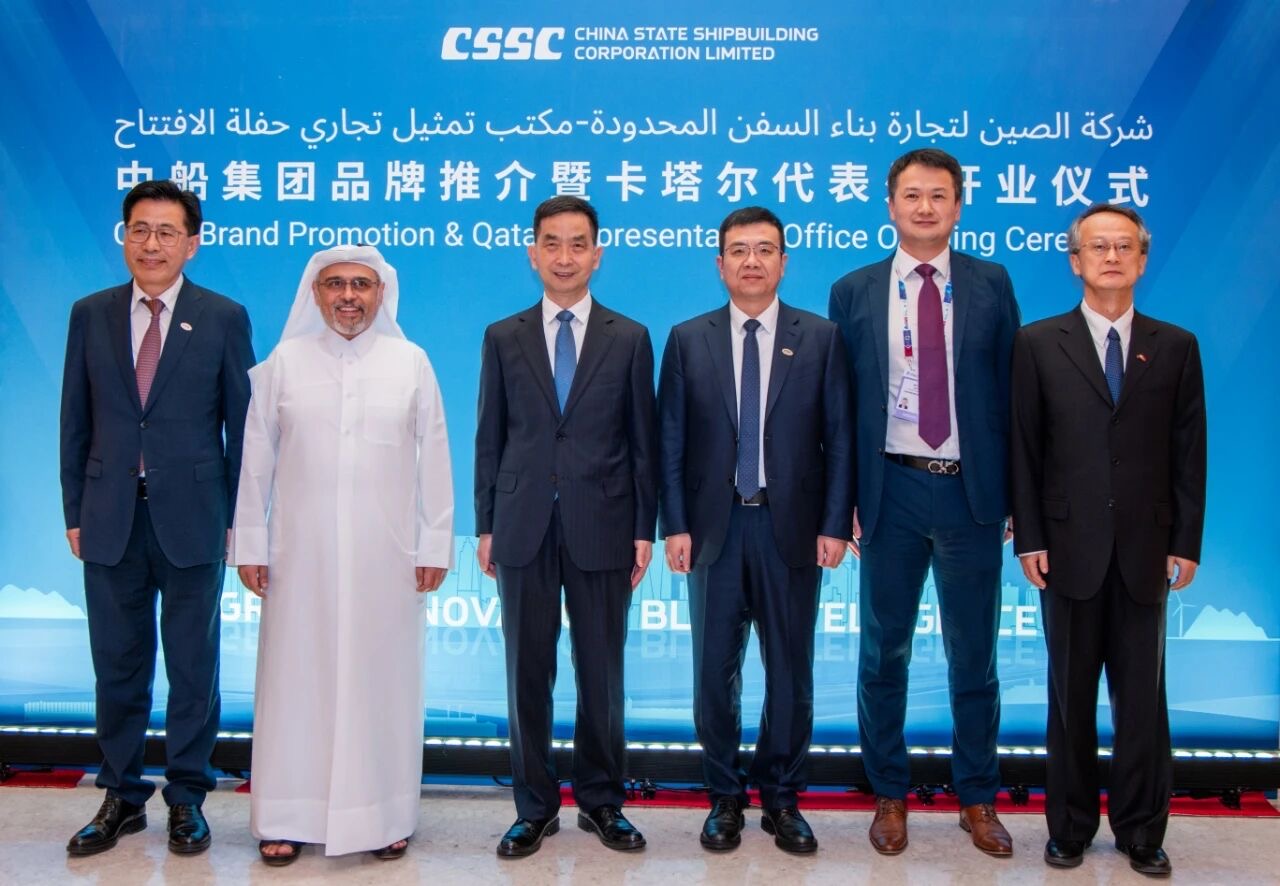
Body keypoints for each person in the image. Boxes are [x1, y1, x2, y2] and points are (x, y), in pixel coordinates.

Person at [229, 245, 453, 864]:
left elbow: (435, 457)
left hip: (388, 558)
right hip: (298, 558)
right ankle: (286, 814)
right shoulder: (284, 363)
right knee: (295, 682)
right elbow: (255, 460)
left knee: (382, 683)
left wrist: (434, 543)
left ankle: (383, 816)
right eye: (335, 284)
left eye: (361, 284)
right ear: (316, 293)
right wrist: (250, 542)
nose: (348, 296)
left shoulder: (411, 362)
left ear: (381, 294)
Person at [828, 148, 1021, 857]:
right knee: (884, 654)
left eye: (939, 195)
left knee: (975, 655)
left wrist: (1016, 499)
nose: (925, 207)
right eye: (912, 195)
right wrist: (843, 502)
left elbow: (1013, 395)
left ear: (958, 206)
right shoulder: (853, 290)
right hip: (891, 488)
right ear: (890, 205)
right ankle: (889, 793)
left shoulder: (991, 283)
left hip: (971, 492)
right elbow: (839, 409)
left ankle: (977, 797)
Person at [60, 180, 254, 856]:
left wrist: (240, 520)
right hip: (109, 516)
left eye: (167, 232)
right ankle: (120, 795)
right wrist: (74, 510)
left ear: (191, 244)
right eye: (139, 230)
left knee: (193, 666)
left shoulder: (222, 317)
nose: (151, 244)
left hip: (194, 518)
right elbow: (74, 420)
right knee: (117, 664)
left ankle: (187, 797)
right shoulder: (90, 314)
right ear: (124, 237)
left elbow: (242, 429)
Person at [1011, 205, 1205, 876]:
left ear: (1143, 260)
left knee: (1143, 699)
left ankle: (1142, 829)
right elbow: (1024, 449)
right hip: (1067, 547)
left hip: (1148, 548)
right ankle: (1068, 827)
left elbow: (1189, 452)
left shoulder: (1175, 346)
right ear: (1076, 261)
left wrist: (1186, 541)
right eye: (1099, 247)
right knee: (1069, 698)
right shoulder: (1038, 343)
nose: (1112, 257)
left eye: (1125, 246)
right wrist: (1029, 536)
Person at [659, 206, 854, 854]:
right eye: (739, 250)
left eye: (764, 250)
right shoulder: (688, 339)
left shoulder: (820, 338)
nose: (751, 261)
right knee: (714, 673)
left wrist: (835, 523)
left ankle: (782, 797)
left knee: (790, 671)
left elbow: (840, 439)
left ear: (783, 262)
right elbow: (671, 442)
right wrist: (674, 525)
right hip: (713, 531)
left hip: (789, 527)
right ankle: (724, 796)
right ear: (720, 265)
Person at [475, 196, 658, 858]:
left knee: (601, 672)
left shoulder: (629, 337)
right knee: (527, 670)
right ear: (533, 253)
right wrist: (485, 523)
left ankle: (602, 801)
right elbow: (489, 436)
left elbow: (643, 443)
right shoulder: (503, 336)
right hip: (521, 523)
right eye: (551, 243)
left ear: (597, 254)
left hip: (604, 522)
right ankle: (534, 806)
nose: (564, 256)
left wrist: (644, 527)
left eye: (578, 244)